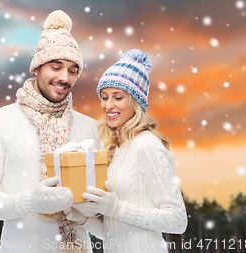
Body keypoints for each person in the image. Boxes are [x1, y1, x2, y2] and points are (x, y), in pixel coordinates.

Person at [0, 10, 101, 253]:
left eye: (73, 70)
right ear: (37, 68)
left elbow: (99, 212)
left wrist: (95, 206)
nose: (64, 77)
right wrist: (31, 201)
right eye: (56, 67)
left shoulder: (89, 127)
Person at [66, 49, 187, 253]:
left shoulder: (147, 145)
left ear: (135, 101)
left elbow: (177, 220)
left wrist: (118, 208)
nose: (108, 105)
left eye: (118, 97)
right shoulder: (114, 149)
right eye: (104, 97)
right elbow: (117, 231)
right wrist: (84, 218)